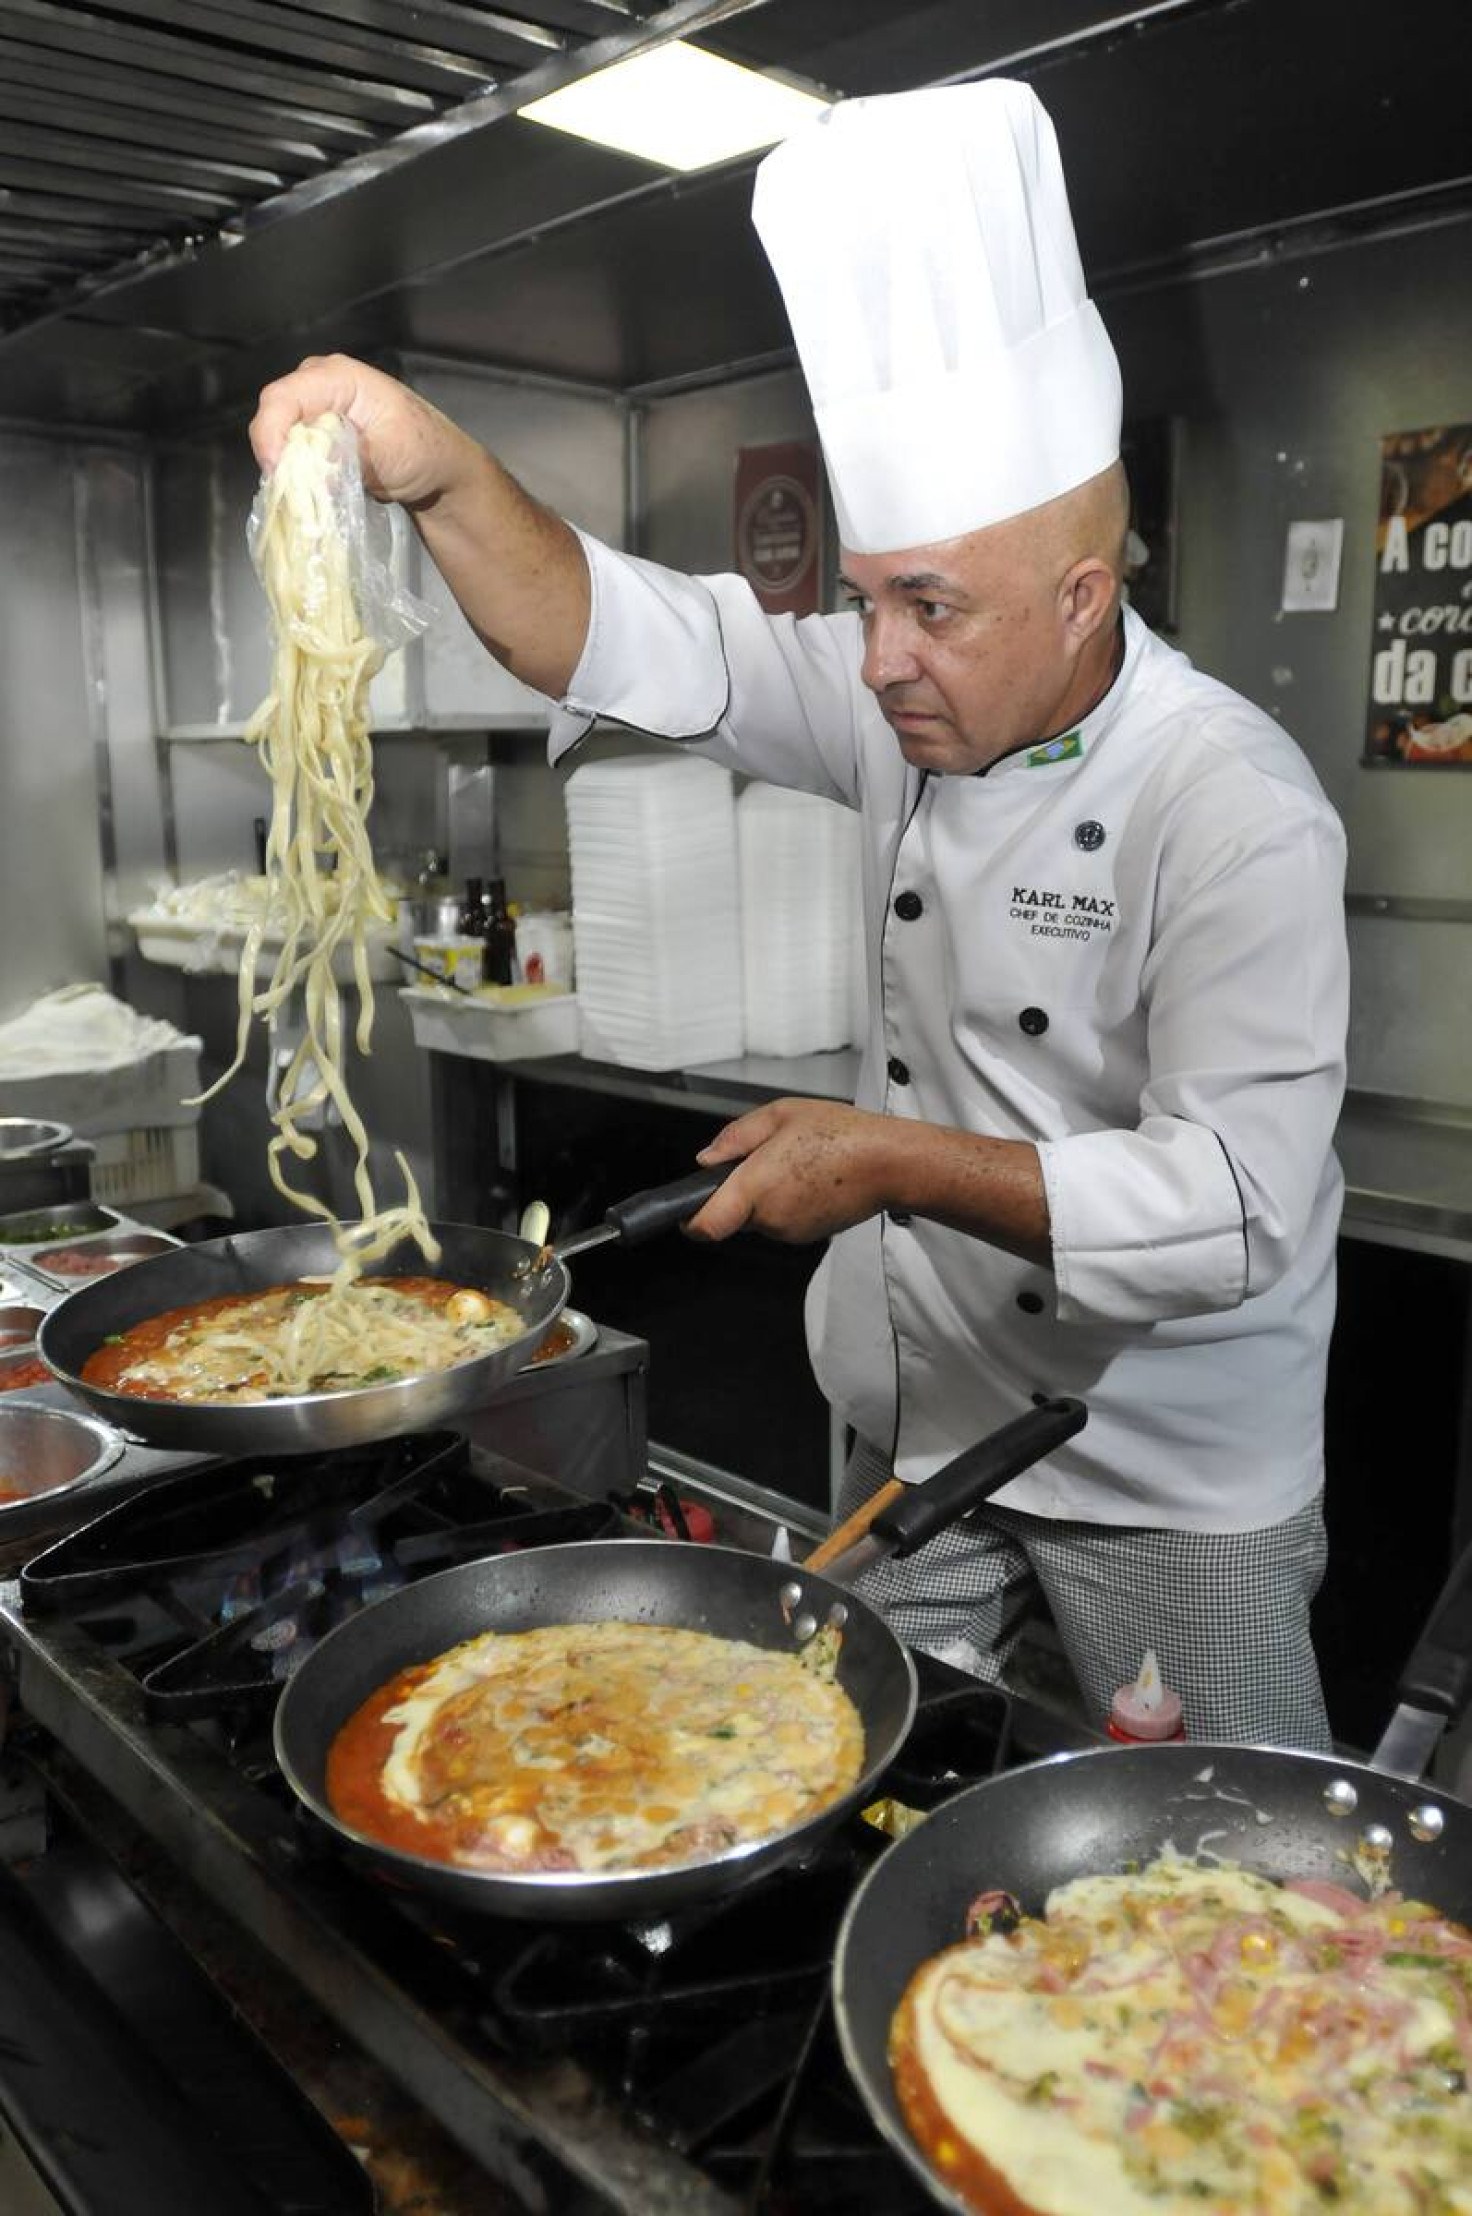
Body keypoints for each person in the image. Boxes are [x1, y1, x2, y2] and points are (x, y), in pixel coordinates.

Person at [251, 79, 1349, 1749]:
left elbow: (1237, 1205)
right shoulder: (898, 704)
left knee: (1218, 1881)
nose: (879, 659)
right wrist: (440, 471)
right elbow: (624, 634)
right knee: (839, 1780)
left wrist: (888, 1160)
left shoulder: (1234, 803)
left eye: (930, 608)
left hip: (1171, 1477)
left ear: (1083, 594)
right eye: (861, 603)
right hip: (912, 1424)